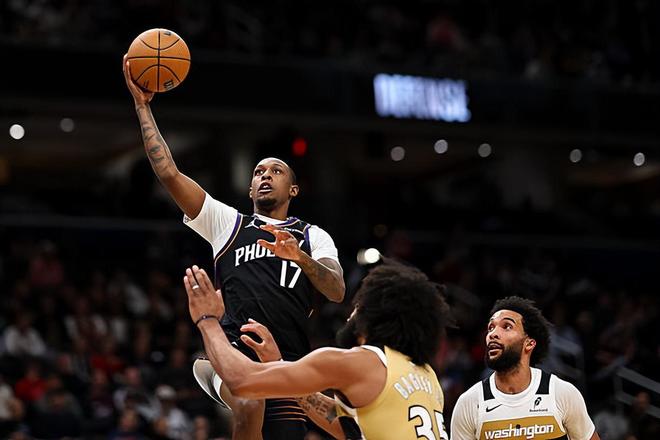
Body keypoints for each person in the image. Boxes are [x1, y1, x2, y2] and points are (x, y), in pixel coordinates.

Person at [123, 56, 345, 440]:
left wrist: (300, 257)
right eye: (258, 172)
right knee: (248, 402)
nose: (265, 176)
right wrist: (142, 106)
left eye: (275, 171)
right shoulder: (229, 223)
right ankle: (221, 373)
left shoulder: (313, 236)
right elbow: (169, 173)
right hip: (232, 354)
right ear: (249, 187)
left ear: (293, 189)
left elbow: (336, 290)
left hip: (288, 363)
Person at [183, 260, 452, 440]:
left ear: (374, 314)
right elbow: (343, 425)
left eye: (359, 304)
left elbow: (242, 382)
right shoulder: (426, 376)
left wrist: (208, 320)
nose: (352, 311)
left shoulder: (361, 362)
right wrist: (279, 362)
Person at [451, 296, 600, 440]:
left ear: (529, 344)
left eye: (507, 326)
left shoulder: (561, 393)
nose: (493, 334)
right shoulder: (470, 402)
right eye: (491, 328)